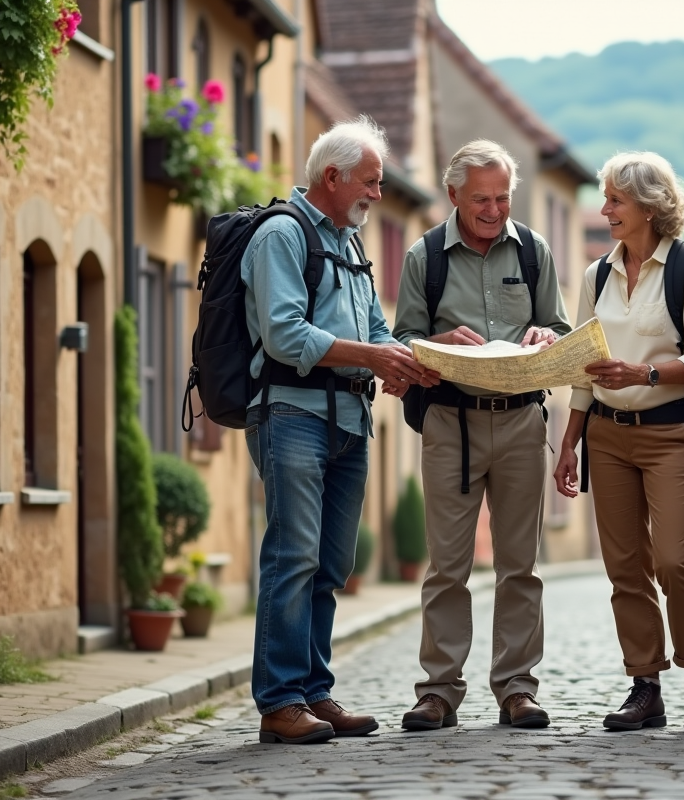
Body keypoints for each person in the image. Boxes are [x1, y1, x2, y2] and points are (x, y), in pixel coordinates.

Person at [243, 115, 438, 745]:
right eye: (371, 182)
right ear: (333, 177)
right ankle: (279, 703)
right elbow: (284, 333)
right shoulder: (282, 235)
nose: (379, 194)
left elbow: (374, 329)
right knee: (293, 556)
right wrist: (371, 357)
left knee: (331, 563)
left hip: (351, 420)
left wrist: (408, 358)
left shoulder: (351, 243)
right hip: (293, 414)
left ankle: (314, 692)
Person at [393, 140, 572, 731]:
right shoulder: (425, 257)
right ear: (452, 196)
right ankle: (438, 690)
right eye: (480, 200)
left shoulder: (535, 251)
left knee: (520, 564)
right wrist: (442, 343)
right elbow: (404, 342)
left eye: (502, 197)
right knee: (448, 565)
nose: (494, 210)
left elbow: (559, 326)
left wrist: (547, 337)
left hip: (522, 419)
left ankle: (518, 688)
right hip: (450, 423)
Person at [553, 151, 684, 734]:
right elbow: (582, 368)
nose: (605, 210)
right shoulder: (595, 275)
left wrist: (645, 374)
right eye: (605, 199)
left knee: (676, 560)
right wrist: (570, 442)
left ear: (649, 207)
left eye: (615, 201)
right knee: (624, 566)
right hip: (606, 436)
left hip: (673, 432)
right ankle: (644, 687)